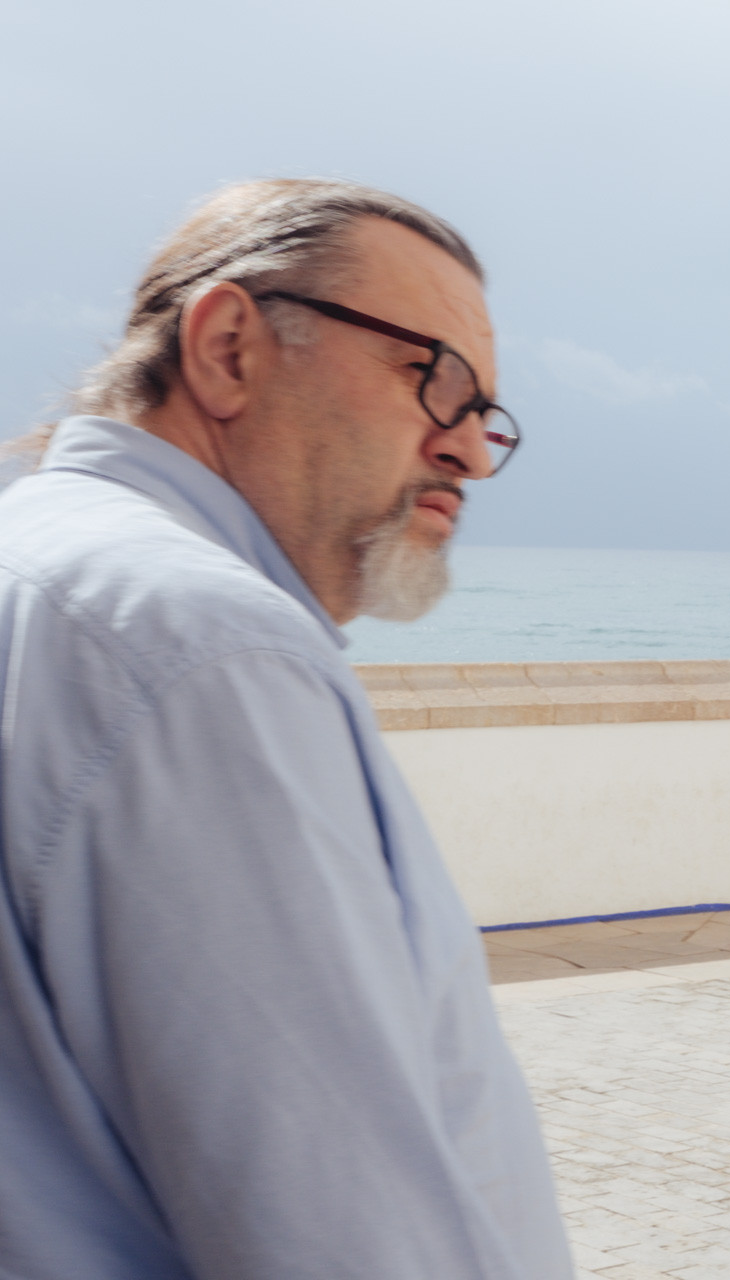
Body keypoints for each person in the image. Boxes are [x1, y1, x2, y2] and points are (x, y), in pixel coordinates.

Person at [0, 179, 571, 1279]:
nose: (470, 452)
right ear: (227, 349)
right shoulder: (203, 647)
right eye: (433, 380)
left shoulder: (43, 565)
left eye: (485, 413)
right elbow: (340, 1231)